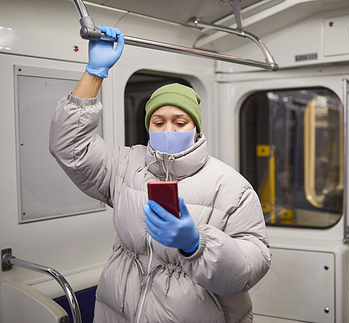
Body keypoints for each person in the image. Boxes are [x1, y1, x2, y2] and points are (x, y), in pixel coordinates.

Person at [49, 26, 271, 323]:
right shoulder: (125, 165)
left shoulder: (231, 186)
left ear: (195, 130)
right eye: (159, 121)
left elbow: (250, 267)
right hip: (119, 311)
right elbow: (70, 147)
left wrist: (197, 244)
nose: (169, 130)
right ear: (148, 126)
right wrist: (94, 73)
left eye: (180, 122)